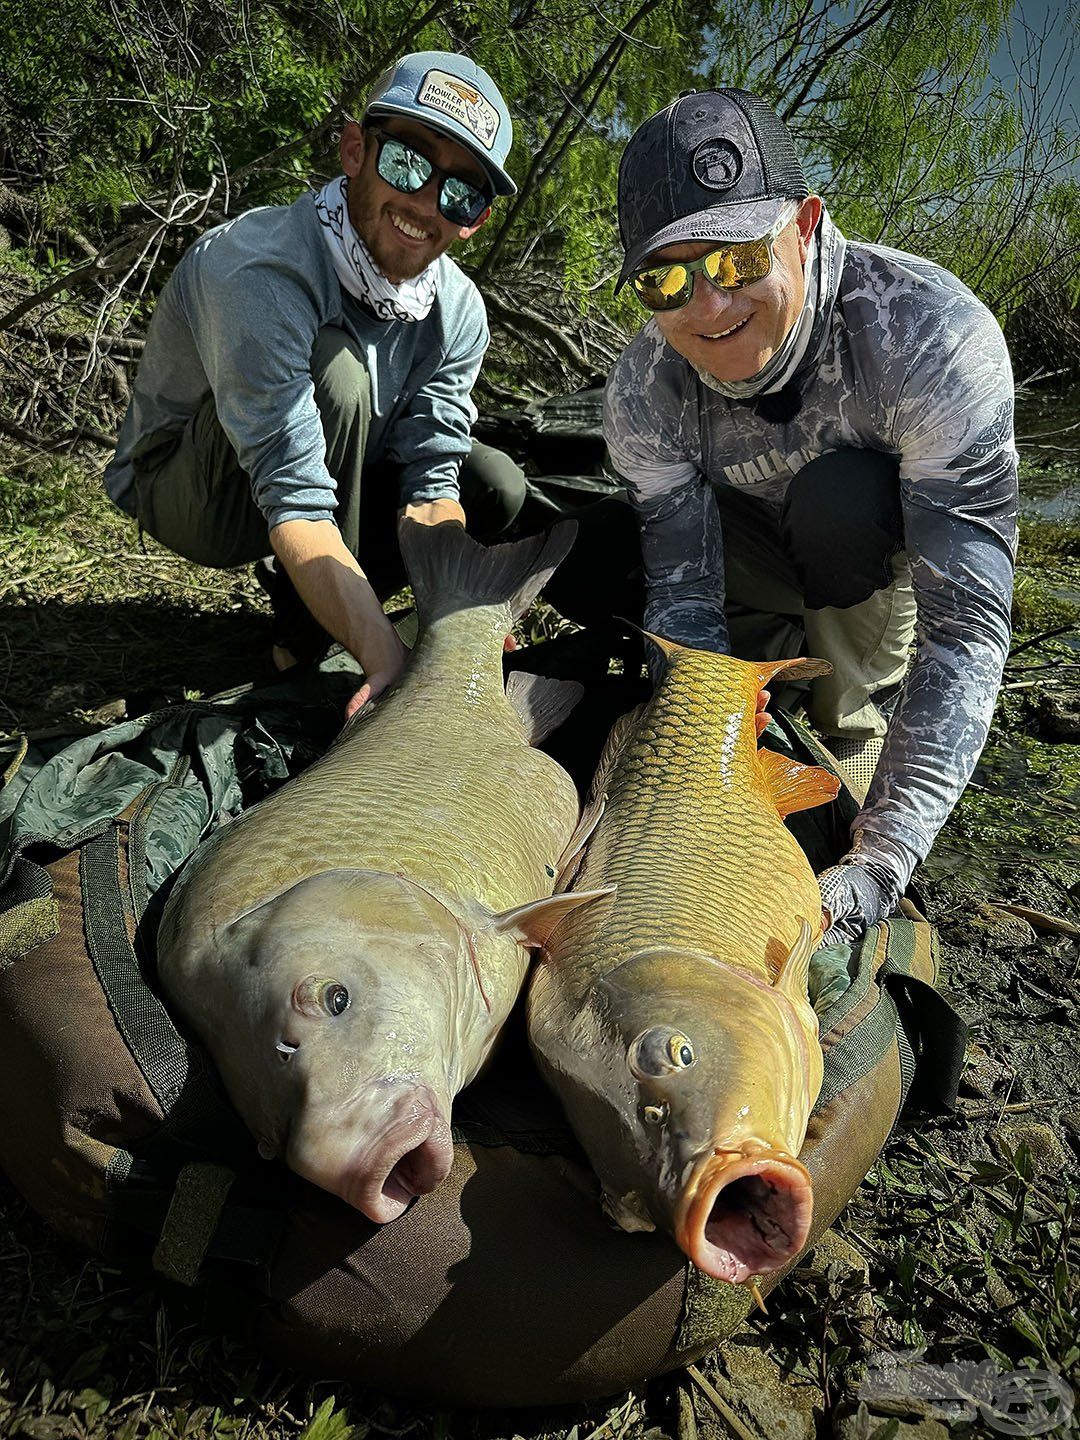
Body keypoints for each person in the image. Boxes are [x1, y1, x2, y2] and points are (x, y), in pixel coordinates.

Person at [601, 88, 1017, 944]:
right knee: (612, 551)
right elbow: (682, 591)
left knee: (843, 498)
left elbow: (965, 631)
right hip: (743, 550)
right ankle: (761, 672)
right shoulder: (642, 391)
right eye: (666, 277)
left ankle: (847, 704)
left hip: (867, 559)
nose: (708, 305)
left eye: (737, 259)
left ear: (808, 223)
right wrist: (693, 761)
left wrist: (879, 860)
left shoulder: (928, 338)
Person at [104, 51, 526, 714]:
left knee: (493, 484)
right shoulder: (258, 266)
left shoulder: (460, 311)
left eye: (460, 192)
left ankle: (327, 619)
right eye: (407, 161)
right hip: (195, 488)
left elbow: (432, 482)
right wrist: (388, 660)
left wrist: (458, 618)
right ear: (356, 150)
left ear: (476, 220)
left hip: (330, 472)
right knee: (339, 375)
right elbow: (294, 492)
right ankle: (312, 643)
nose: (423, 204)